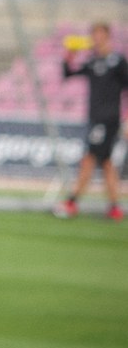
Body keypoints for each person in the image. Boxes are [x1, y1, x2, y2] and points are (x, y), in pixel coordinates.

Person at [54, 22, 128, 221]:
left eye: (99, 34)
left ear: (107, 36)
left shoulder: (117, 61)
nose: (96, 38)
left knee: (88, 159)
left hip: (108, 119)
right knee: (107, 163)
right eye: (94, 34)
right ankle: (115, 208)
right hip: (95, 119)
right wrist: (70, 54)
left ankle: (72, 202)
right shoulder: (93, 61)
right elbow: (68, 73)